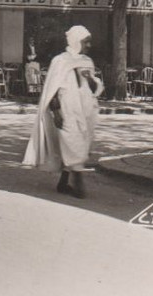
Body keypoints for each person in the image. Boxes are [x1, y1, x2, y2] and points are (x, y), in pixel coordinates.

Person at [22, 24, 103, 198]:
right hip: (68, 111)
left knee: (82, 144)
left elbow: (93, 87)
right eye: (85, 42)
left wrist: (91, 81)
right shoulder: (60, 61)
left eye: (90, 42)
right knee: (72, 143)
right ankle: (78, 181)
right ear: (75, 41)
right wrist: (56, 112)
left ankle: (63, 182)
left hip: (86, 111)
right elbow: (51, 89)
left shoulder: (87, 62)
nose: (89, 45)